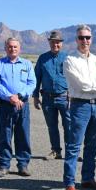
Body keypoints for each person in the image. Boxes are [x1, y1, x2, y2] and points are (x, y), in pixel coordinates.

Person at [62, 25, 96, 190]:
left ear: (91, 39)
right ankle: (69, 182)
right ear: (76, 40)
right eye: (81, 38)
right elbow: (83, 85)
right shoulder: (70, 60)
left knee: (92, 145)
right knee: (74, 146)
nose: (85, 41)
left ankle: (88, 178)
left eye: (87, 37)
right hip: (79, 106)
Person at [0, 37, 36, 177]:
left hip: (22, 105)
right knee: (4, 135)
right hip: (5, 105)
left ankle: (23, 165)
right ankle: (4, 165)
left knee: (23, 135)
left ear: (19, 48)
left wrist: (20, 95)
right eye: (10, 47)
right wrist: (10, 97)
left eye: (15, 47)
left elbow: (32, 83)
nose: (12, 49)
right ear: (5, 48)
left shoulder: (27, 64)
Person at [32, 30, 70, 161]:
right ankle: (55, 151)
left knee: (69, 126)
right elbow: (37, 78)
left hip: (65, 97)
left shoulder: (68, 58)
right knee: (52, 126)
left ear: (61, 44)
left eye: (58, 42)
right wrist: (35, 97)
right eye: (53, 42)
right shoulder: (42, 58)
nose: (55, 44)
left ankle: (71, 152)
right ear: (49, 42)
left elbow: (74, 79)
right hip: (47, 98)